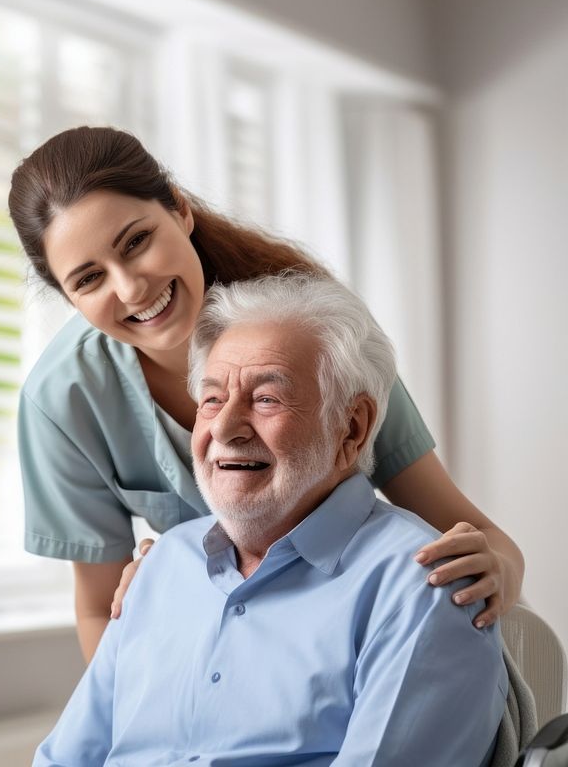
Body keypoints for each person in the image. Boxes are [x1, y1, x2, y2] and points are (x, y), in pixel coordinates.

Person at [8, 126, 524, 661]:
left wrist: (501, 569)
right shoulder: (62, 401)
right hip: (219, 656)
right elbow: (100, 608)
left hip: (356, 638)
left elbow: (474, 532)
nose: (131, 287)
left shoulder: (319, 332)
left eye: (136, 241)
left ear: (180, 210)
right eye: (89, 279)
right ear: (68, 299)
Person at [33, 274, 509, 767]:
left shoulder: (425, 585)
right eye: (212, 398)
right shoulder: (162, 565)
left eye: (266, 399)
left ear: (352, 427)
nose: (225, 426)